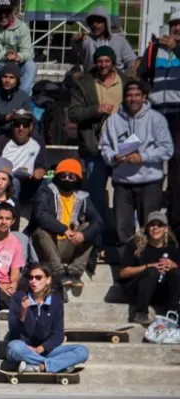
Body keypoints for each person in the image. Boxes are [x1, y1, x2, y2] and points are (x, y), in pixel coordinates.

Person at [100, 80, 173, 254]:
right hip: (122, 182)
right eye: (129, 95)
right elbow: (104, 147)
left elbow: (167, 149)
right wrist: (113, 157)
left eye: (137, 95)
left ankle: (148, 269)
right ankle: (125, 273)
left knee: (151, 230)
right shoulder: (113, 121)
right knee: (123, 231)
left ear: (144, 97)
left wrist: (144, 157)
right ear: (124, 97)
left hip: (150, 182)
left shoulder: (156, 119)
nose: (133, 99)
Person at [69, 47, 122, 231]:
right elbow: (73, 113)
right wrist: (96, 110)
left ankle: (119, 235)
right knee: (96, 195)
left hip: (122, 146)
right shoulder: (85, 83)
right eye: (99, 61)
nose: (103, 65)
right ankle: (99, 235)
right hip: (96, 146)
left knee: (122, 194)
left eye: (107, 61)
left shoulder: (125, 81)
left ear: (113, 61)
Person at [27, 158, 103, 289]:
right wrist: (63, 229)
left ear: (78, 179)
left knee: (89, 228)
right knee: (41, 230)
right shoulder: (46, 191)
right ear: (57, 177)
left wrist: (83, 236)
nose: (67, 179)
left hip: (70, 245)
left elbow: (98, 221)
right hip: (47, 246)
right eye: (63, 176)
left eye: (72, 176)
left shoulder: (83, 196)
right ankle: (58, 272)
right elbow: (41, 214)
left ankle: (74, 272)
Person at [6, 263, 89, 374]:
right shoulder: (19, 297)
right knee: (14, 347)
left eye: (38, 277)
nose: (33, 281)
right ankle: (57, 365)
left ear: (48, 280)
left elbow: (58, 334)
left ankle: (40, 366)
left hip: (45, 350)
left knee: (82, 351)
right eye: (30, 277)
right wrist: (23, 312)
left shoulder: (56, 301)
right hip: (24, 349)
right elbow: (14, 331)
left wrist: (39, 349)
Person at [140, 12, 180, 228]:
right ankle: (151, 223)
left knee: (177, 170)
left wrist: (176, 48)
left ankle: (175, 225)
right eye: (174, 24)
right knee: (152, 167)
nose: (177, 28)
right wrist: (147, 93)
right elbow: (142, 75)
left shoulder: (174, 47)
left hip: (178, 114)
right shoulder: (155, 48)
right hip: (156, 113)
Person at [119, 211, 179, 325]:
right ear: (147, 228)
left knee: (176, 272)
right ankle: (140, 312)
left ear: (165, 228)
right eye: (152, 224)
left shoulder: (172, 246)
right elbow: (123, 273)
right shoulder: (136, 244)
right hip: (137, 290)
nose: (155, 228)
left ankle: (172, 312)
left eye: (160, 224)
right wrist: (149, 266)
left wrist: (173, 265)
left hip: (161, 291)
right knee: (152, 272)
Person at [0, 108, 47, 206]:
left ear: (30, 126)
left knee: (45, 182)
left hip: (29, 182)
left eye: (25, 125)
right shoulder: (0, 142)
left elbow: (41, 164)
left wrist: (40, 170)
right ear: (12, 125)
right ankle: (10, 211)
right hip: (5, 184)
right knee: (15, 181)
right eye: (17, 124)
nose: (21, 128)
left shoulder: (38, 141)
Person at [0, 0, 36, 95]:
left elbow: (29, 53)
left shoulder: (22, 27)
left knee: (31, 65)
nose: (3, 15)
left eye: (7, 11)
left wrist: (18, 56)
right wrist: (4, 55)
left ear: (13, 11)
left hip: (16, 65)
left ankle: (20, 99)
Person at [72, 6, 137, 74]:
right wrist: (75, 39)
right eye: (92, 22)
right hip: (93, 80)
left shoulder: (119, 41)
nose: (95, 25)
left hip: (117, 81)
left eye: (98, 22)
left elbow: (131, 61)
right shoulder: (86, 40)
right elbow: (75, 45)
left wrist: (130, 72)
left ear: (106, 23)